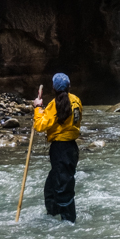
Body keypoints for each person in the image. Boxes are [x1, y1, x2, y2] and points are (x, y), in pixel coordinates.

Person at [32, 73, 82, 223]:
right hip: (71, 148)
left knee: (63, 188)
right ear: (69, 87)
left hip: (61, 149)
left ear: (53, 88)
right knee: (52, 187)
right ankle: (52, 216)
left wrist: (38, 107)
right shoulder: (76, 101)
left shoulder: (55, 105)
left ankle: (68, 223)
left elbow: (40, 126)